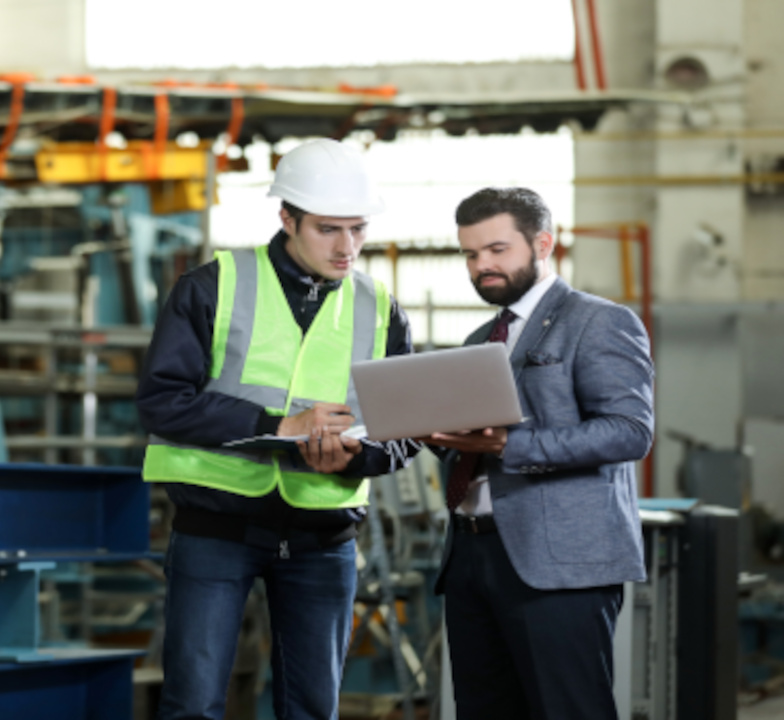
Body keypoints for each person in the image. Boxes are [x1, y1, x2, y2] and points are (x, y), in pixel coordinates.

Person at [136, 138, 416, 720]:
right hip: (217, 526)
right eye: (328, 229)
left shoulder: (380, 307)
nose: (348, 248)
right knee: (192, 705)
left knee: (313, 709)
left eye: (359, 230)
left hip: (324, 536)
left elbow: (405, 427)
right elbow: (163, 401)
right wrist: (278, 425)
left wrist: (357, 457)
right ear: (286, 217)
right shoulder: (213, 286)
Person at [429, 187, 653, 719]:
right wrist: (436, 434)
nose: (481, 265)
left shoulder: (598, 321)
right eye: (470, 254)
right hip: (471, 554)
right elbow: (476, 448)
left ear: (543, 244)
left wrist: (509, 443)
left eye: (497, 250)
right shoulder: (481, 339)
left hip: (557, 563)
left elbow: (629, 431)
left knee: (568, 710)